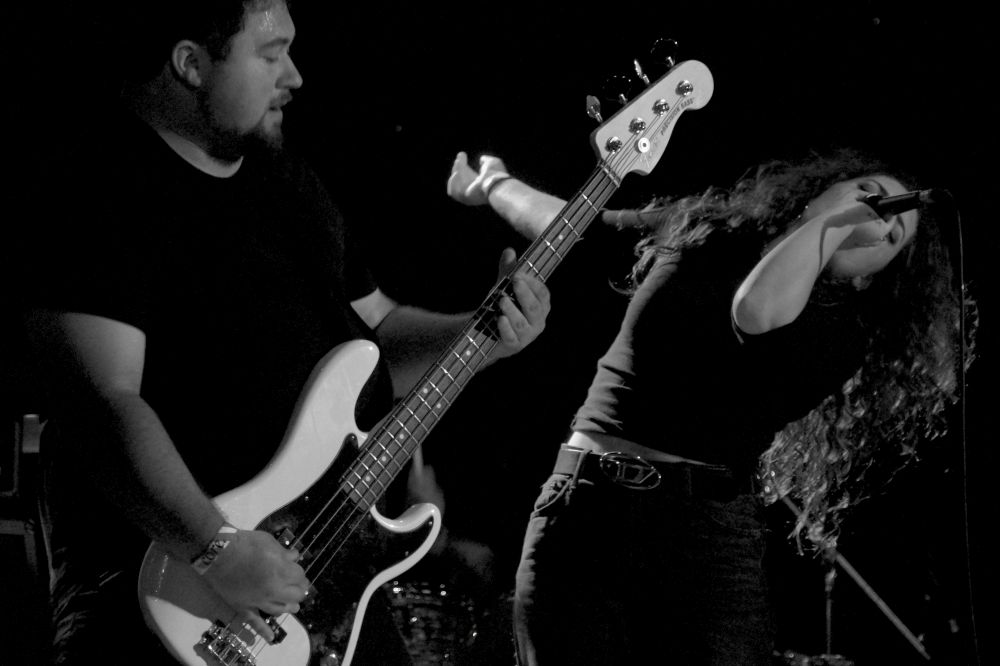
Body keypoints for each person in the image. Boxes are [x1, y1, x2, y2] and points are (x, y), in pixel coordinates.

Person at [24, 2, 551, 664]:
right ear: (191, 64)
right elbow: (100, 399)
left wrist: (481, 336)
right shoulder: (98, 189)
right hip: (167, 597)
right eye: (271, 54)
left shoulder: (289, 184)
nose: (295, 76)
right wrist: (215, 548)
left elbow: (376, 337)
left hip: (317, 583)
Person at [448, 148, 970, 664]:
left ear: (873, 274)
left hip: (703, 537)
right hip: (584, 504)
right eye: (869, 195)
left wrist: (831, 223)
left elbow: (755, 311)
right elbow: (573, 228)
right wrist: (492, 185)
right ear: (821, 189)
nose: (879, 218)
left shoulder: (844, 333)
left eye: (894, 233)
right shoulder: (704, 230)